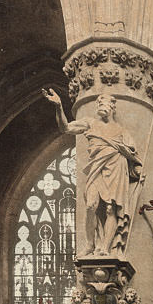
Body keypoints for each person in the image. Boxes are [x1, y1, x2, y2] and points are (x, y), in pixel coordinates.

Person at [43, 89, 141, 255]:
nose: (101, 105)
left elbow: (132, 154)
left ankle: (105, 247)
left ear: (112, 108)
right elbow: (65, 128)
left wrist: (137, 169)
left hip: (116, 166)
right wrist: (59, 106)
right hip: (96, 168)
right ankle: (90, 243)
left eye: (104, 103)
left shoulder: (121, 131)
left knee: (111, 209)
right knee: (91, 205)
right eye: (99, 103)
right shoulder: (90, 123)